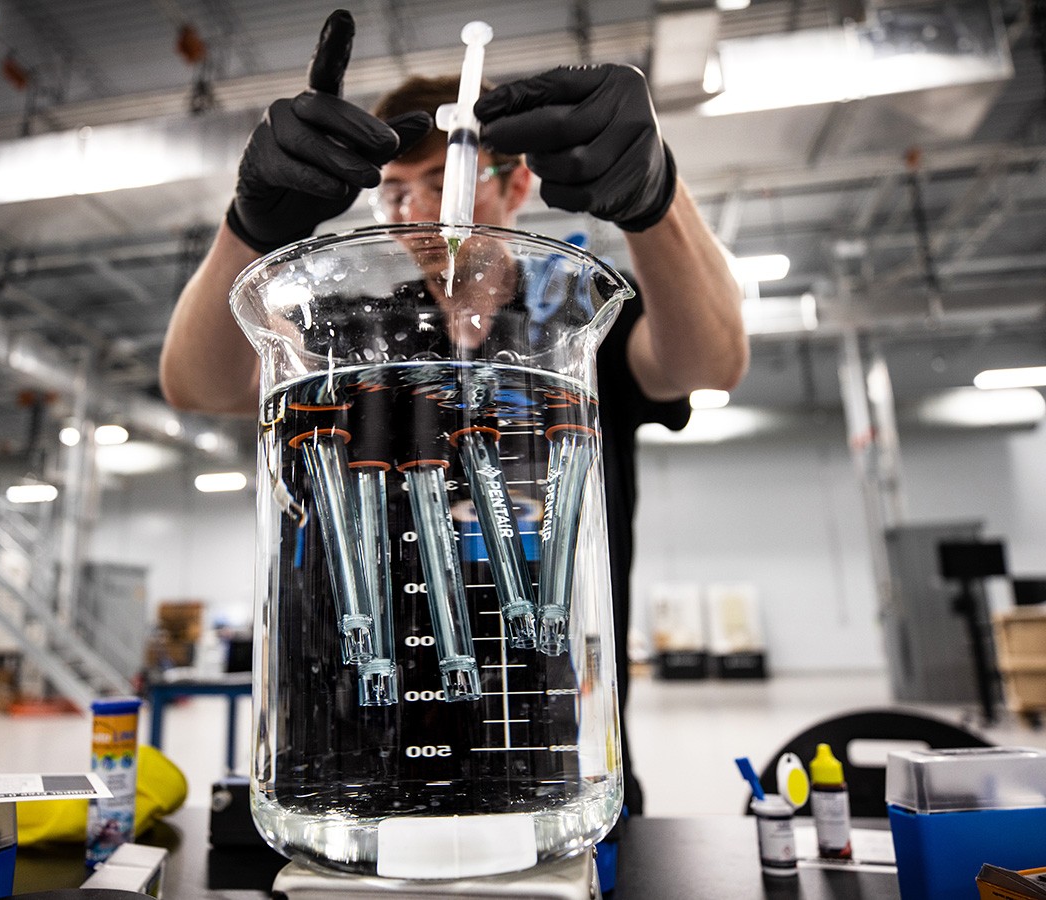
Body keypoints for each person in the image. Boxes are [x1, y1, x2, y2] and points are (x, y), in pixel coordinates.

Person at [161, 9, 748, 816]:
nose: (414, 211)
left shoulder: (567, 328)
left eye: (439, 180)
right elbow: (198, 384)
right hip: (349, 755)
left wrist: (655, 200)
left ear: (511, 182)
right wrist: (249, 229)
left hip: (544, 745)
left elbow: (708, 361)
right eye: (395, 192)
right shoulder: (358, 337)